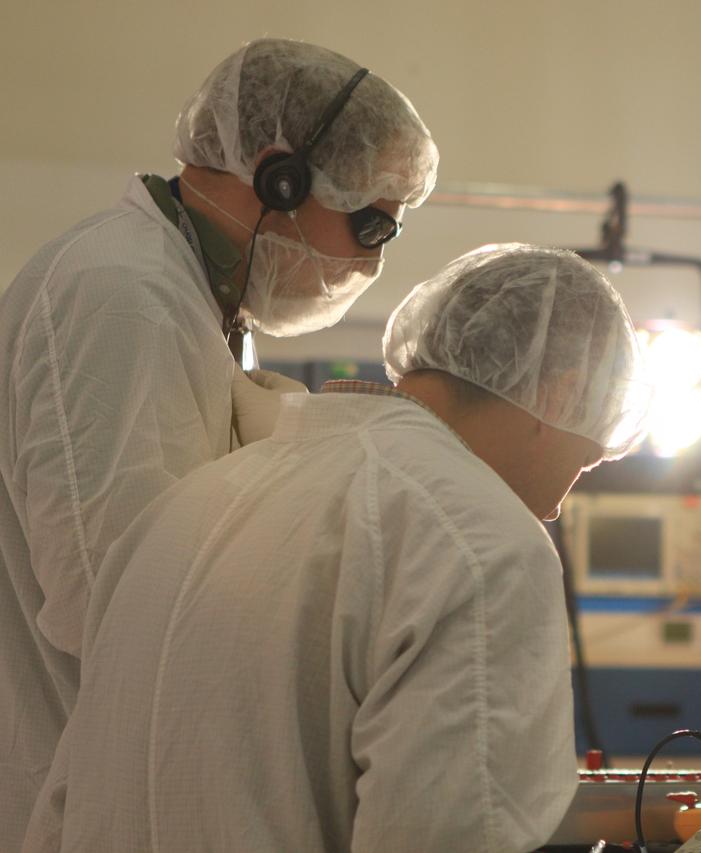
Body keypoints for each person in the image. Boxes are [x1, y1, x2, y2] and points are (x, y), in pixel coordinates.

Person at [24, 244, 652, 852]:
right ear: (563, 393)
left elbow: (60, 809)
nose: (555, 507)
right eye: (586, 462)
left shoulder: (182, 509)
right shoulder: (482, 544)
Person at [0, 38, 438, 849]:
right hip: (70, 792)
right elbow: (117, 606)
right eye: (371, 221)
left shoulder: (199, 303)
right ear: (278, 177)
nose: (372, 258)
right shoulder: (121, 297)